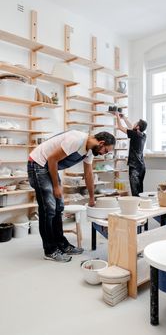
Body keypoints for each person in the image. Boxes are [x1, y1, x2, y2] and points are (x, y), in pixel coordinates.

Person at [27, 130, 116, 263]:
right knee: (49, 209)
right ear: (101, 143)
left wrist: (92, 198)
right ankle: (50, 250)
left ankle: (61, 244)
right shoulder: (76, 140)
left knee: (59, 207)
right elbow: (52, 159)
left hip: (49, 166)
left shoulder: (89, 151)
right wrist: (56, 187)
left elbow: (89, 175)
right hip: (38, 163)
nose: (105, 154)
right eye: (106, 151)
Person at [114, 112, 147, 196]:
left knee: (135, 191)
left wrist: (117, 116)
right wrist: (124, 118)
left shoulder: (134, 134)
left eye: (136, 123)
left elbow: (120, 127)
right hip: (142, 166)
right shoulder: (143, 135)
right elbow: (131, 127)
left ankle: (137, 208)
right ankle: (141, 207)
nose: (134, 123)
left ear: (138, 127)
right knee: (140, 190)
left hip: (134, 167)